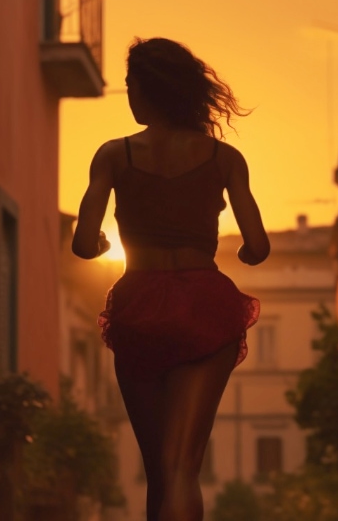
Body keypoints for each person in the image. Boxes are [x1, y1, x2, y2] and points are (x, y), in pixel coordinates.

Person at [72, 37, 270, 521]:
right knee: (183, 467)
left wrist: (100, 245)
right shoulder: (225, 159)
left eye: (130, 86)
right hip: (204, 304)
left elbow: (82, 243)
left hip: (138, 305)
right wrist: (241, 249)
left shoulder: (113, 155)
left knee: (158, 472)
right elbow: (258, 247)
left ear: (149, 89)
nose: (130, 95)